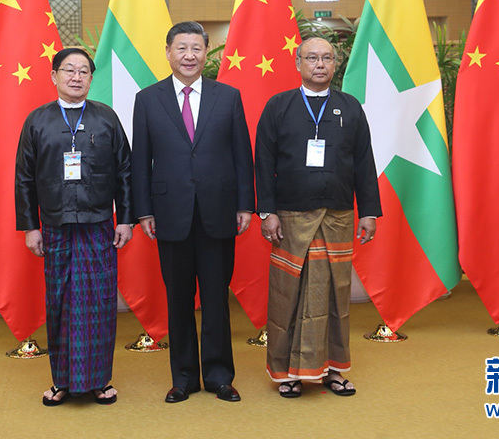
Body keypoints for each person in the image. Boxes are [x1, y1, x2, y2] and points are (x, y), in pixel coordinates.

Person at [131, 21, 255, 403]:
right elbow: (140, 161)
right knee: (179, 299)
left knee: (216, 299)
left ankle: (219, 376)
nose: (189, 55)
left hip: (219, 211)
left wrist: (245, 204)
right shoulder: (147, 99)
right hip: (170, 213)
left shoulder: (228, 96)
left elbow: (242, 154)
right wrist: (143, 211)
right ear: (168, 52)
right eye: (181, 48)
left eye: (196, 48)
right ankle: (183, 378)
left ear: (206, 52)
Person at [254, 35, 381, 398]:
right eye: (312, 58)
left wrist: (368, 211)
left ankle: (333, 370)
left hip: (337, 216)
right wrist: (267, 212)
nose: (320, 64)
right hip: (290, 218)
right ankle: (287, 373)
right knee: (288, 295)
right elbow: (263, 161)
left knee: (335, 296)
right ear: (298, 63)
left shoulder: (350, 107)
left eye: (327, 58)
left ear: (336, 64)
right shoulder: (279, 106)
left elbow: (364, 162)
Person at [15, 47, 133, 407]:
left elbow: (125, 173)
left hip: (99, 226)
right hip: (55, 226)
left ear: (91, 79)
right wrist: (30, 227)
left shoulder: (106, 118)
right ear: (54, 76)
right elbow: (24, 178)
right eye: (69, 70)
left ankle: (99, 380)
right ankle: (62, 381)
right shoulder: (37, 121)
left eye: (84, 71)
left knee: (98, 303)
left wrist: (126, 219)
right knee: (61, 302)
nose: (76, 77)